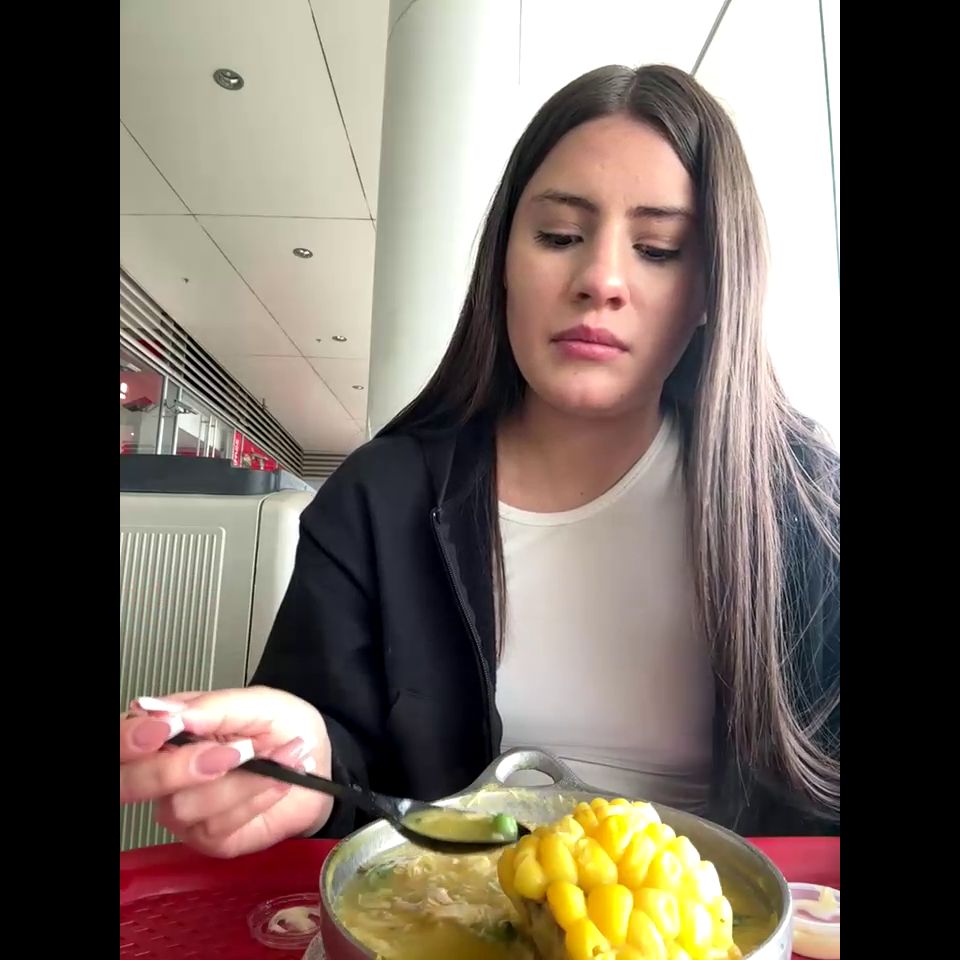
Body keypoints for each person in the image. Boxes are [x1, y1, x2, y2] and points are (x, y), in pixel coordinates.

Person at [119, 63, 839, 859]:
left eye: (658, 249)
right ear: (503, 260)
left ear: (712, 289)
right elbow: (339, 764)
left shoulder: (805, 506)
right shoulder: (378, 499)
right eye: (559, 236)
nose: (601, 280)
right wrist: (304, 757)